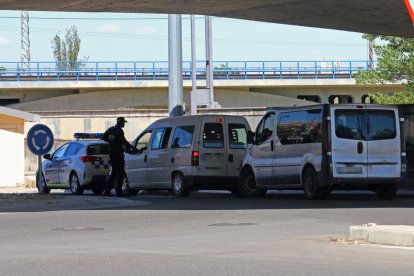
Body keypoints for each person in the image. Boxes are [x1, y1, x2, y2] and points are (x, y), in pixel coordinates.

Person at [101, 117, 135, 196]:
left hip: (112, 153)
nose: (124, 124)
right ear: (120, 122)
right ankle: (119, 191)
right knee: (120, 172)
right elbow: (124, 141)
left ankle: (107, 190)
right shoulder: (119, 131)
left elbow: (103, 137)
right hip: (118, 154)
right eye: (123, 122)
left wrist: (111, 141)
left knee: (114, 172)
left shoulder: (111, 129)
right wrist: (131, 147)